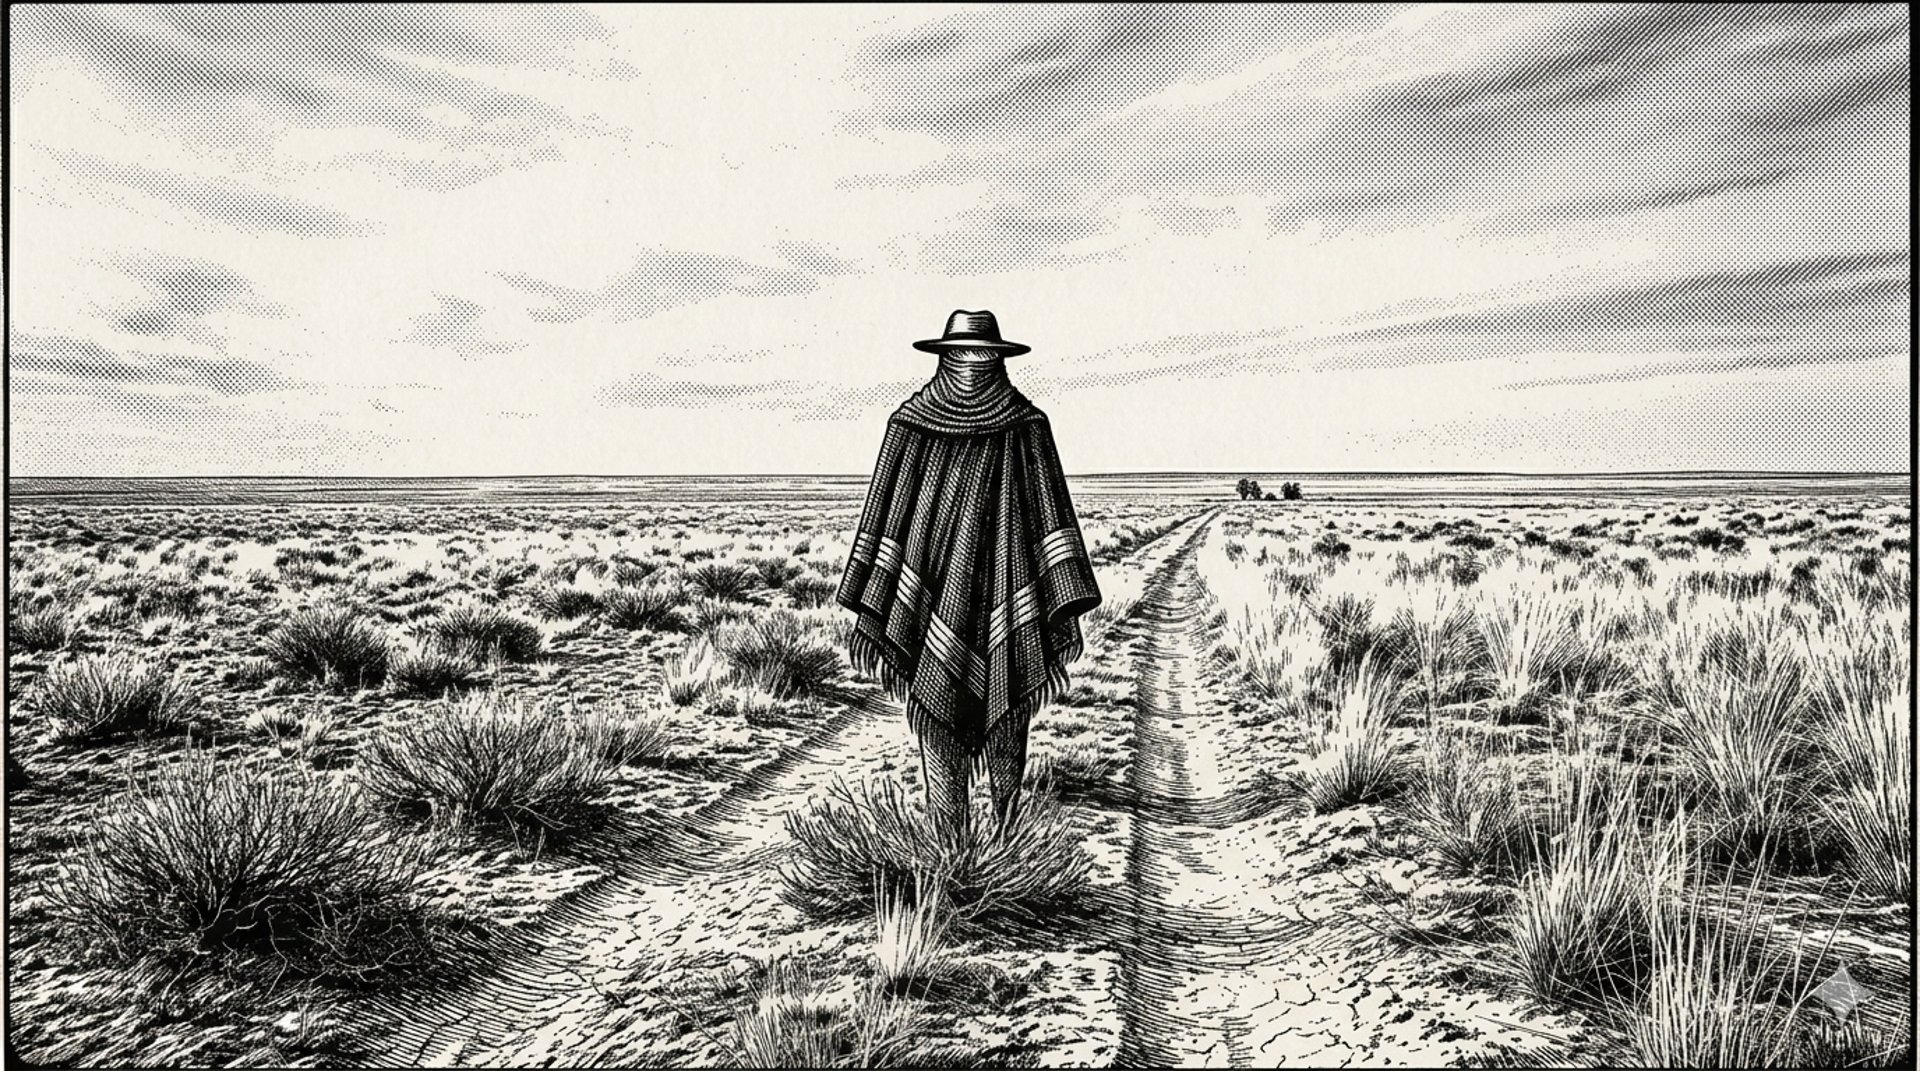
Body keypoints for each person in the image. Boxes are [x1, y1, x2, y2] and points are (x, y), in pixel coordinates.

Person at [837, 310, 1101, 843]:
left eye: (984, 355)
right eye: (963, 354)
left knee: (1009, 709)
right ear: (945, 356)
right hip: (933, 592)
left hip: (1010, 586)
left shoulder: (1028, 427)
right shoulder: (908, 427)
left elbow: (1049, 514)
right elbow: (887, 513)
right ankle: (947, 846)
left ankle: (1008, 837)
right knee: (936, 709)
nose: (973, 364)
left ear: (998, 360)